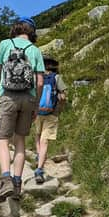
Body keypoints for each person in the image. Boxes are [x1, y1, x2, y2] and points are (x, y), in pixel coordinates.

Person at [0, 17, 45, 202]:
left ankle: (5, 179)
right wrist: (36, 105)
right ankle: (17, 184)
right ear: (32, 32)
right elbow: (39, 82)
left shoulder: (5, 44)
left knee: (3, 139)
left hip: (8, 96)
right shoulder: (36, 51)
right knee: (20, 141)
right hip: (29, 99)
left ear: (16, 28)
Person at [33, 55, 67, 184]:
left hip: (37, 112)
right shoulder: (56, 77)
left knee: (38, 135)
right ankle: (39, 169)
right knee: (45, 141)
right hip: (51, 113)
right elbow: (63, 96)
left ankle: (38, 155)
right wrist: (60, 108)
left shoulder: (37, 77)